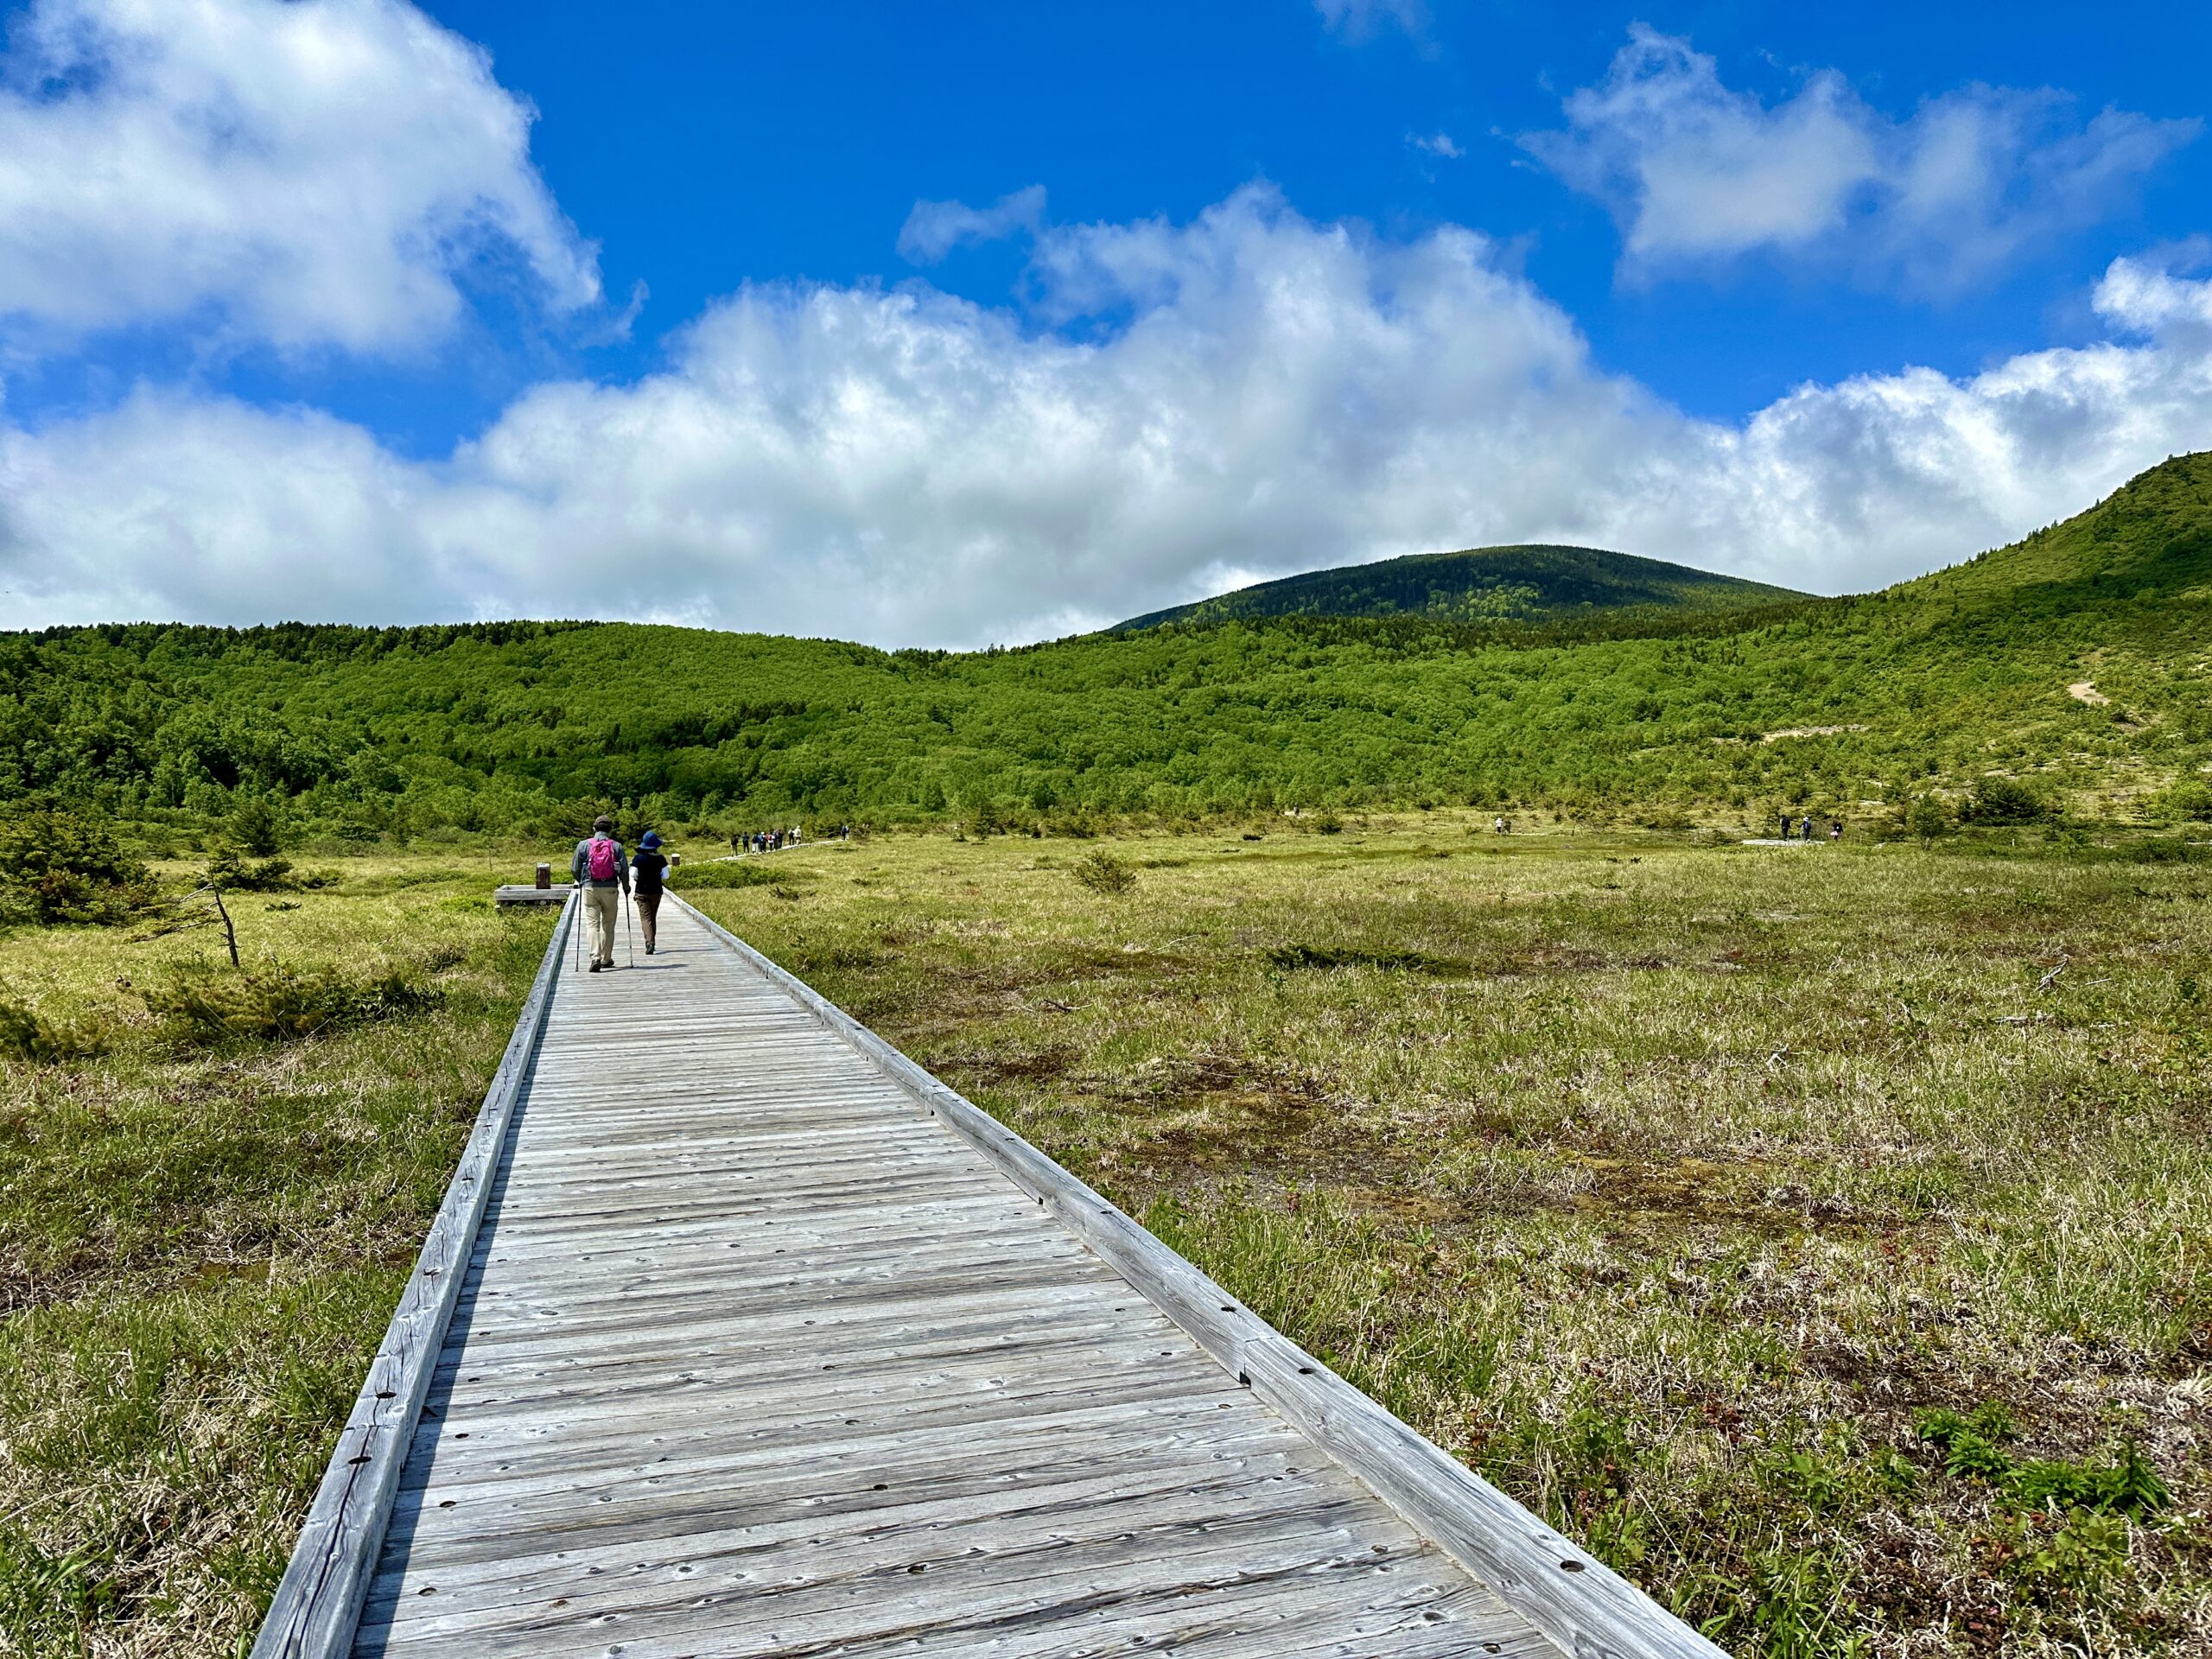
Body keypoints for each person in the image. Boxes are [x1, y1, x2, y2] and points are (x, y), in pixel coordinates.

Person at [570, 816, 629, 972]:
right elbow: (624, 870)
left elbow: (574, 868)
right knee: (608, 925)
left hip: (590, 888)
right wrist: (626, 886)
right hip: (610, 888)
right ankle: (606, 958)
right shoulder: (616, 846)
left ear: (594, 829)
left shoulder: (583, 845)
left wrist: (582, 880)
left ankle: (595, 957)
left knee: (592, 924)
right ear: (609, 830)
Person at [632, 830, 669, 956]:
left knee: (645, 917)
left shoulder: (638, 858)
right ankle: (652, 941)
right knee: (652, 917)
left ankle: (649, 942)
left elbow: (633, 874)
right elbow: (666, 876)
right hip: (656, 891)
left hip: (642, 892)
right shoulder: (660, 859)